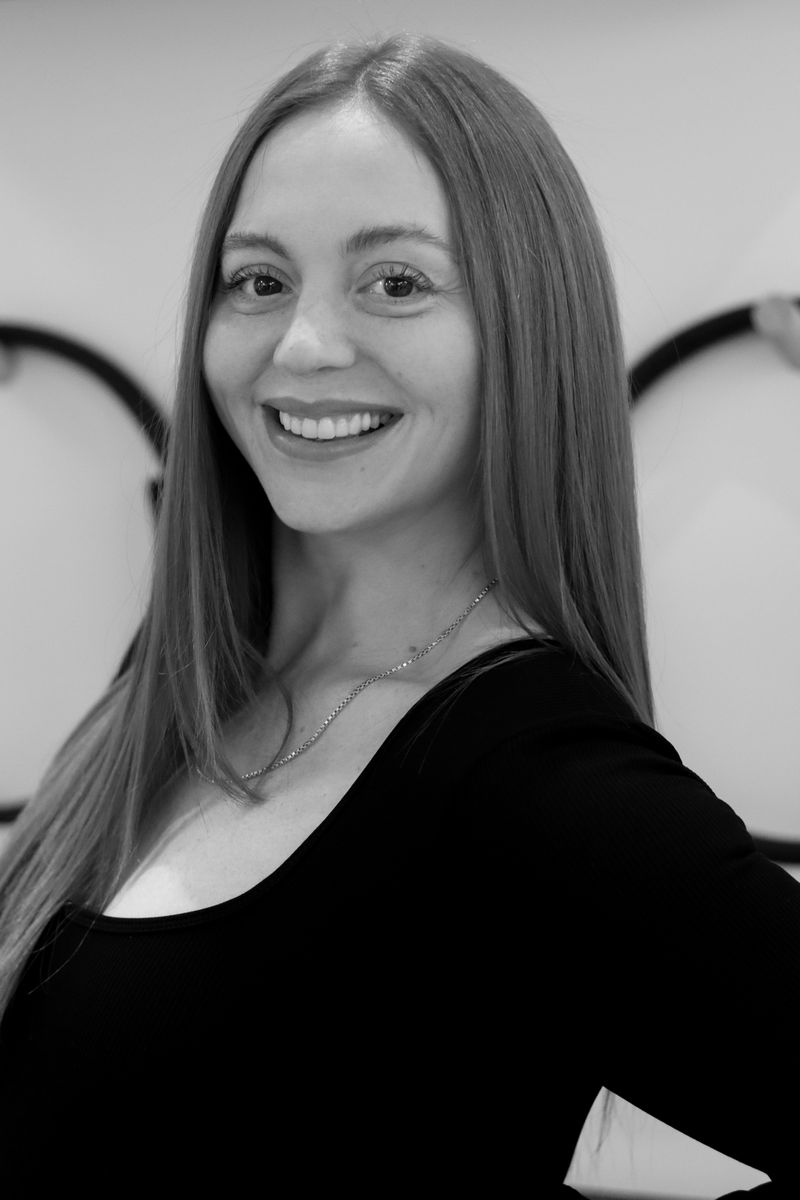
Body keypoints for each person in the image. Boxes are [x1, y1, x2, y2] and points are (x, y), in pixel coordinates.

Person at [0, 33, 795, 1197]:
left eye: (398, 282)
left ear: (524, 330)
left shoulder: (543, 782)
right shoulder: (189, 667)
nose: (303, 345)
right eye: (258, 282)